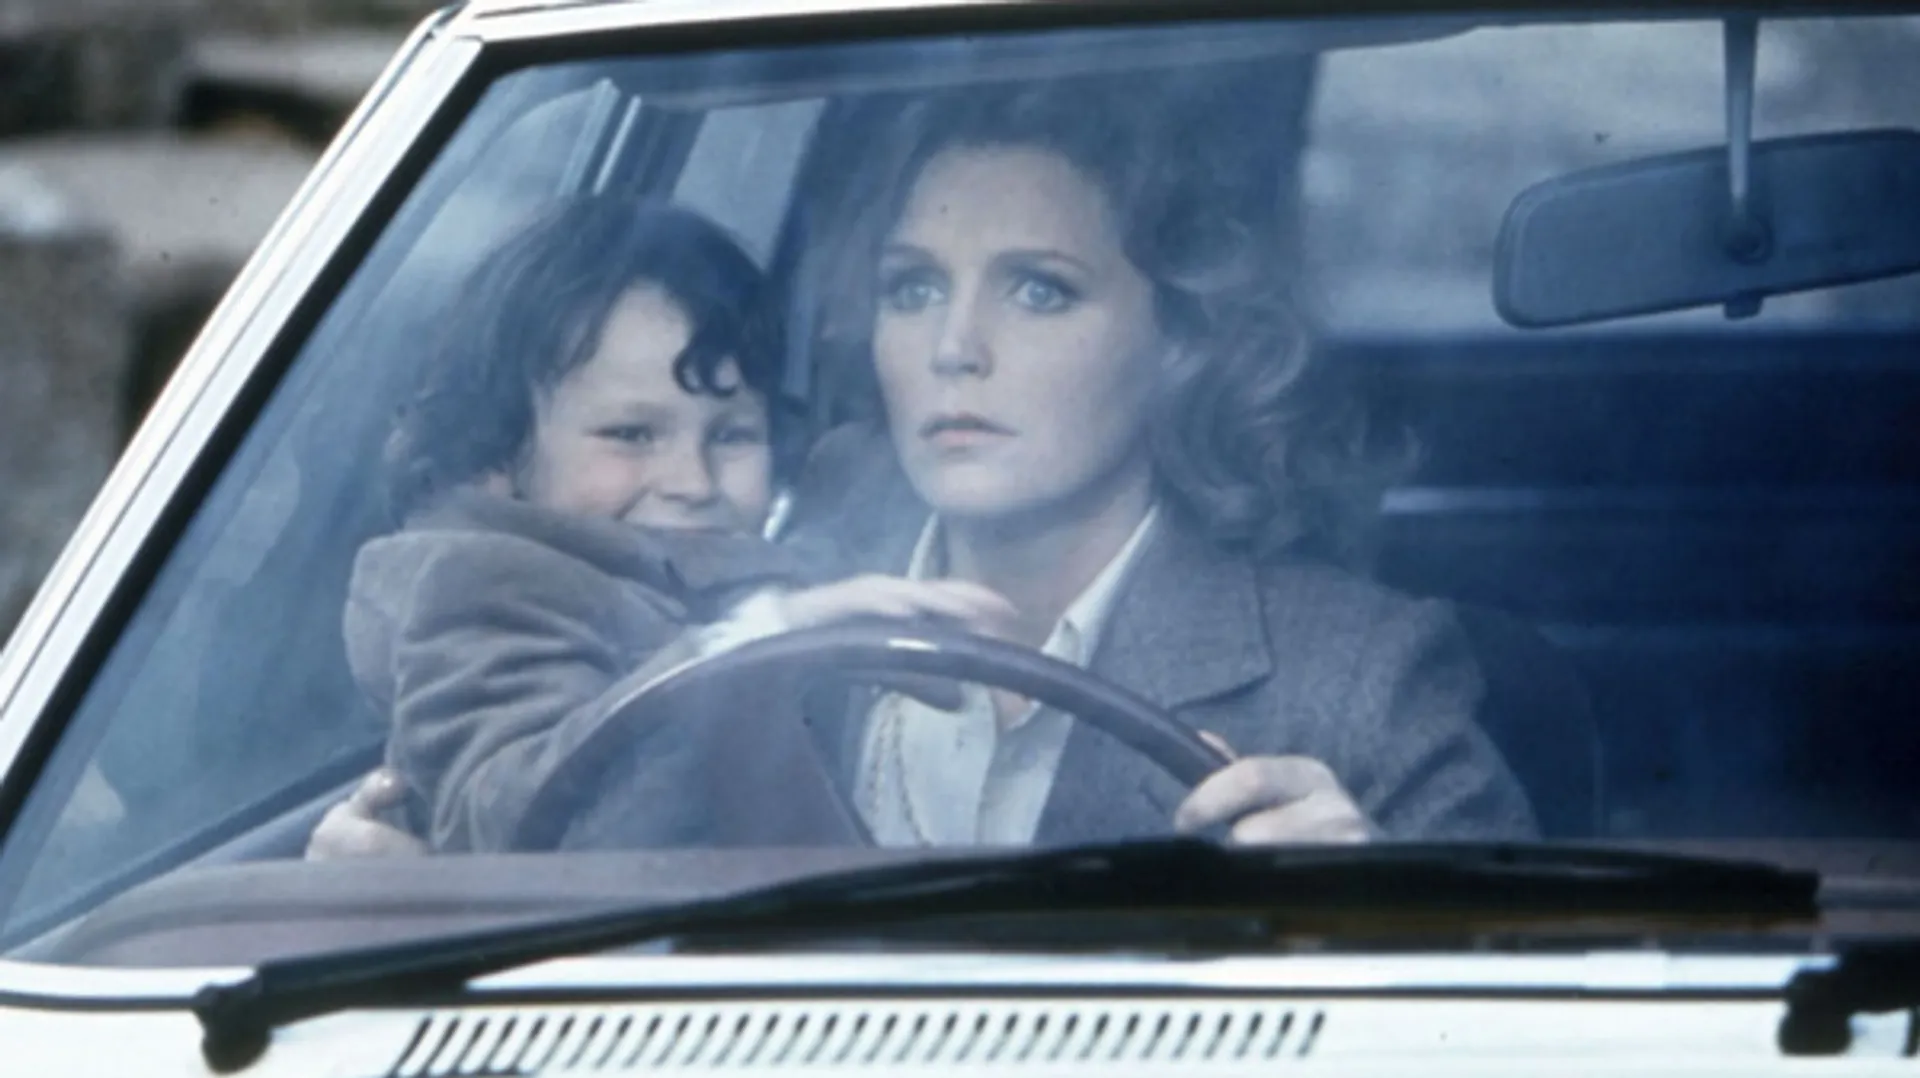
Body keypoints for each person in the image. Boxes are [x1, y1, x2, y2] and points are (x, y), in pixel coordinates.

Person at [312, 81, 1536, 857]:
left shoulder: (1361, 677)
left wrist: (1383, 911)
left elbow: (1539, 1021)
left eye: (1038, 290)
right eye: (912, 289)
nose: (956, 346)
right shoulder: (710, 593)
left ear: (1181, 340)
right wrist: (378, 884)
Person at [329, 198, 1015, 855]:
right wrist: (763, 643)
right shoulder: (484, 591)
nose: (694, 482)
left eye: (732, 435)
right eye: (631, 434)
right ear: (495, 460)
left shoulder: (759, 573)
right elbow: (529, 833)